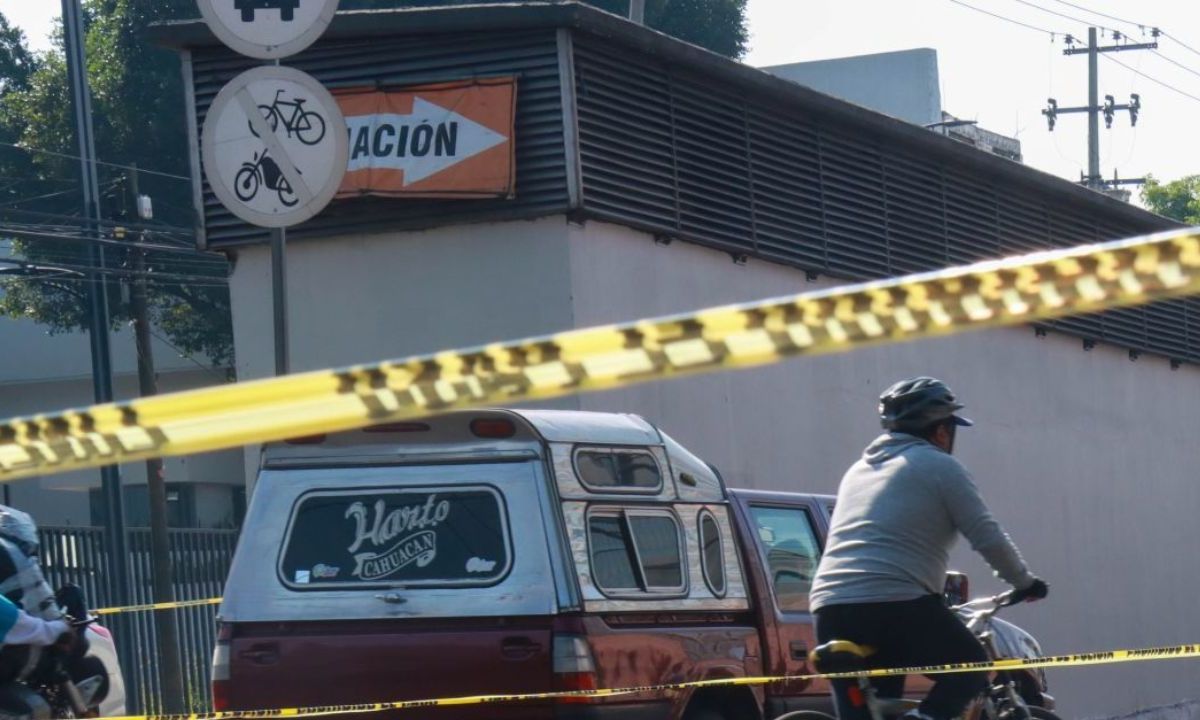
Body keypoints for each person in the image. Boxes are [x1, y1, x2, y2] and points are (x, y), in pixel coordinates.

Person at [809, 377, 1048, 720]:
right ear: (940, 431)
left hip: (829, 608)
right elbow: (986, 535)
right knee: (970, 666)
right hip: (895, 603)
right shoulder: (940, 466)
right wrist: (1024, 582)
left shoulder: (858, 471)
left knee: (871, 712)